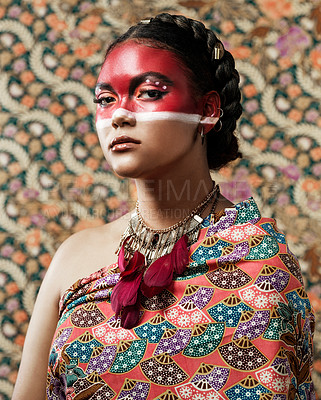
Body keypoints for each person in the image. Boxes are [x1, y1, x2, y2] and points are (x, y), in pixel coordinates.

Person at [12, 13, 315, 400]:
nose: (119, 114)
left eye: (149, 93)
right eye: (106, 99)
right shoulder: (73, 258)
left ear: (208, 110)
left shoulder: (260, 262)